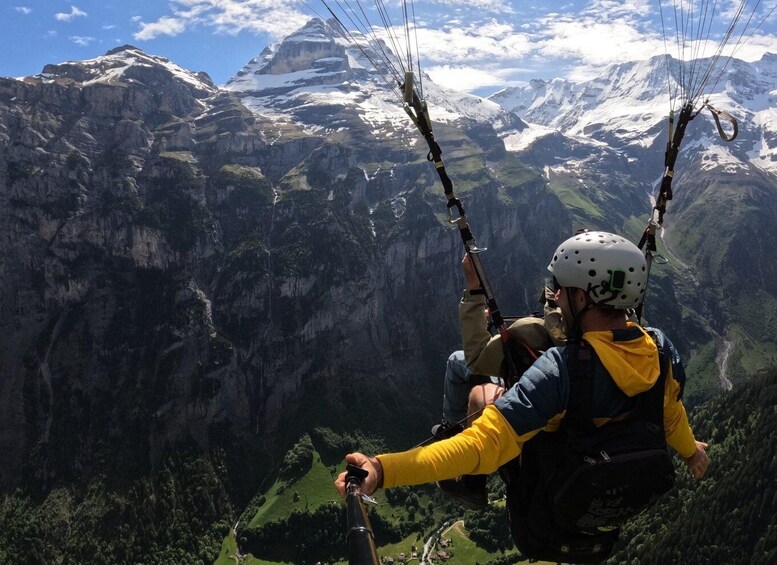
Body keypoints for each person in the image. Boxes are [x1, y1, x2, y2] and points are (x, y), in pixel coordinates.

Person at [334, 232, 709, 547]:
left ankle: (467, 487)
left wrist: (384, 469)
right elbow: (670, 414)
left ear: (581, 298)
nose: (555, 297)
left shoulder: (561, 371)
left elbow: (482, 446)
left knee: (482, 394)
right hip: (613, 496)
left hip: (554, 489)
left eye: (561, 290)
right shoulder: (660, 349)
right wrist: (691, 453)